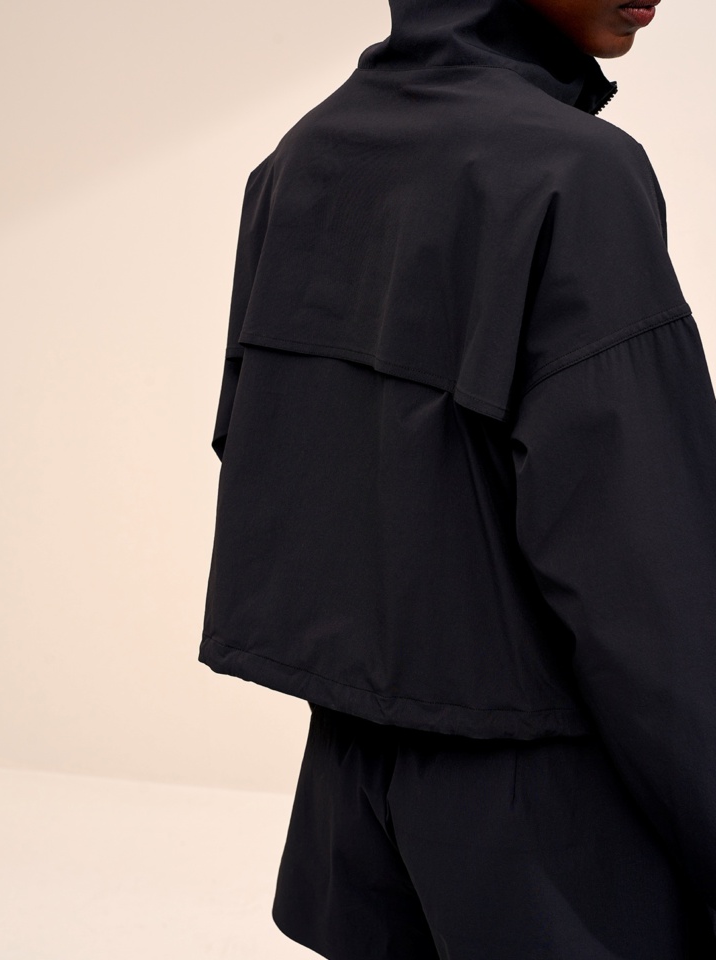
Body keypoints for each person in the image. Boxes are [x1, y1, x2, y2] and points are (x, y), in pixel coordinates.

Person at [199, 0, 716, 955]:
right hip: (559, 839)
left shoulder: (301, 156)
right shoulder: (575, 174)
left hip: (354, 806)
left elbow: (262, 449)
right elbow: (651, 580)